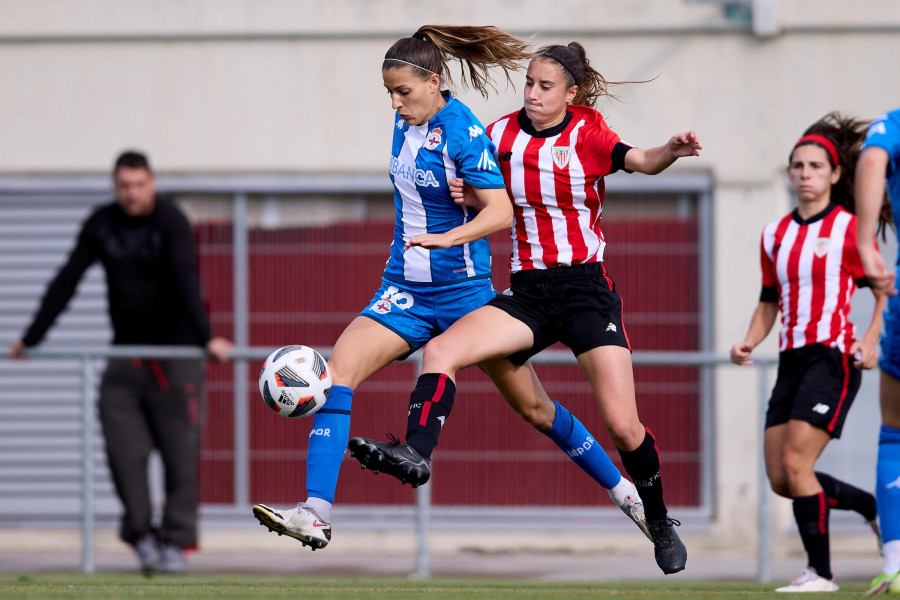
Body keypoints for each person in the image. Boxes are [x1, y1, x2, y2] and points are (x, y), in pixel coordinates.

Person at [251, 26, 651, 553]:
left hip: (466, 296)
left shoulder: (464, 131)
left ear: (433, 82)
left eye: (404, 93)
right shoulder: (407, 124)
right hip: (404, 290)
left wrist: (448, 237)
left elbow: (501, 212)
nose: (395, 105)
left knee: (537, 410)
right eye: (389, 94)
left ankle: (628, 495)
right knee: (336, 375)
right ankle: (315, 512)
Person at [349, 41, 701, 575]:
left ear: (571, 94)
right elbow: (477, 184)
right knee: (442, 350)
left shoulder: (589, 134)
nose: (533, 95)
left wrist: (671, 150)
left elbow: (644, 162)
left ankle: (656, 520)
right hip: (528, 292)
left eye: (545, 87)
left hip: (585, 291)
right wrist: (460, 193)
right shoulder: (499, 134)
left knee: (624, 427)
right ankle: (417, 454)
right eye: (529, 84)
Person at [8, 150, 233, 573]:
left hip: (176, 356)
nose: (132, 194)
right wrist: (32, 338)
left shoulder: (171, 221)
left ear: (152, 184)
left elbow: (187, 276)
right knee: (123, 454)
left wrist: (206, 339)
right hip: (124, 357)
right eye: (124, 187)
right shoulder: (102, 223)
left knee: (179, 455)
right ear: (116, 188)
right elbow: (68, 278)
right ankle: (142, 536)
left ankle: (176, 544)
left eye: (139, 185)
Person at [731, 113, 887, 593]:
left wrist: (872, 339)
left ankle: (820, 574)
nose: (805, 173)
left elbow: (884, 289)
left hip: (833, 357)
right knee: (782, 477)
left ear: (836, 174)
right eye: (797, 165)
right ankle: (872, 507)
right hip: (792, 360)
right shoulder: (774, 234)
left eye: (816, 165)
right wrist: (749, 340)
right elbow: (769, 300)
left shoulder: (848, 229)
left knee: (798, 464)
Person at [855, 106, 900, 596]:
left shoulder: (893, 123)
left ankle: (896, 563)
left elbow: (872, 161)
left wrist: (867, 242)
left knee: (895, 435)